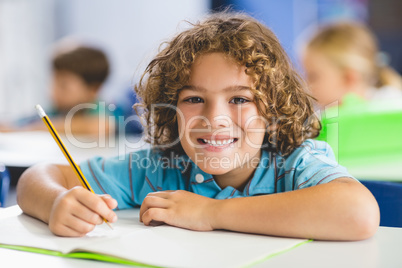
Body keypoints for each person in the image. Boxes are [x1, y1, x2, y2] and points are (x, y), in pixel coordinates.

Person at [17, 12, 379, 240]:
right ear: (171, 110)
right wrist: (56, 204)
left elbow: (358, 212)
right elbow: (39, 177)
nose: (214, 118)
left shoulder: (295, 162)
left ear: (273, 110)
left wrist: (210, 213)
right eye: (193, 99)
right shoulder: (159, 167)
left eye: (239, 99)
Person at [0, 44, 113, 137]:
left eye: (63, 86)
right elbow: (17, 125)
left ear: (93, 89)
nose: (53, 92)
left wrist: (27, 130)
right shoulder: (55, 110)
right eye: (52, 83)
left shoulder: (104, 110)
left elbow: (100, 126)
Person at [301, 21, 402, 109]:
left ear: (349, 78)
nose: (306, 86)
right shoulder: (325, 114)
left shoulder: (390, 107)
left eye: (313, 77)